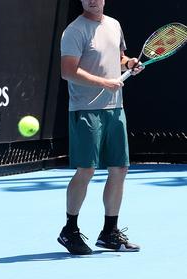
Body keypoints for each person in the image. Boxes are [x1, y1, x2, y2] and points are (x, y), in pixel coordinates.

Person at [57, 0, 143, 255]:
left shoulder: (114, 25)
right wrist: (104, 83)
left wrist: (128, 64)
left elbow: (119, 57)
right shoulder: (74, 31)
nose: (92, 0)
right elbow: (68, 71)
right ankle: (69, 229)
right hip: (85, 110)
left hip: (115, 110)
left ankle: (109, 233)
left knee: (119, 169)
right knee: (87, 170)